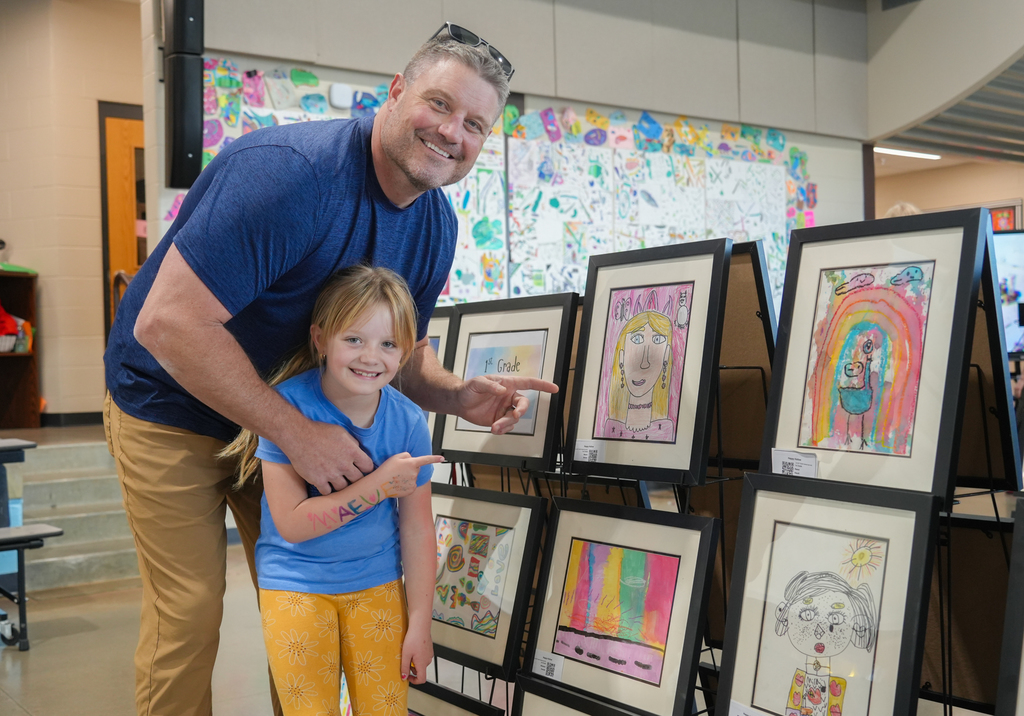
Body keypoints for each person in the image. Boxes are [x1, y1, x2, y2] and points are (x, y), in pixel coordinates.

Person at [103, 25, 553, 716]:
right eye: (439, 104)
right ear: (396, 93)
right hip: (170, 405)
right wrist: (299, 432)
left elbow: (399, 356)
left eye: (474, 124)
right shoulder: (290, 175)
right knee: (189, 611)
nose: (451, 133)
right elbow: (166, 324)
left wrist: (456, 393)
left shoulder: (434, 224)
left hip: (288, 425)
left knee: (306, 605)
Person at [222, 265, 439, 715]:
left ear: (404, 353)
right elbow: (294, 524)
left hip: (379, 587)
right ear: (321, 339)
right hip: (296, 589)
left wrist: (420, 621)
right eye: (354, 339)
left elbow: (418, 531)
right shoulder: (287, 409)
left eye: (388, 344)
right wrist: (379, 485)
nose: (370, 357)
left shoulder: (409, 421)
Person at [773, 570, 877, 716]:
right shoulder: (796, 680)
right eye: (807, 614)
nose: (819, 631)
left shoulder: (839, 685)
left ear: (856, 623)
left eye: (836, 619)